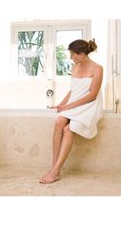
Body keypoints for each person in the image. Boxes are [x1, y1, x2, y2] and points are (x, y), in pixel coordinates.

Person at [39, 38, 103, 184]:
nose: (71, 58)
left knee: (68, 129)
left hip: (89, 105)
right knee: (59, 121)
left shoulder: (97, 68)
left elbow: (92, 95)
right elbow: (73, 90)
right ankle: (54, 167)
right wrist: (61, 105)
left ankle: (55, 170)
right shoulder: (75, 67)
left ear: (81, 54)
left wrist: (69, 106)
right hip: (75, 104)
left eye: (72, 55)